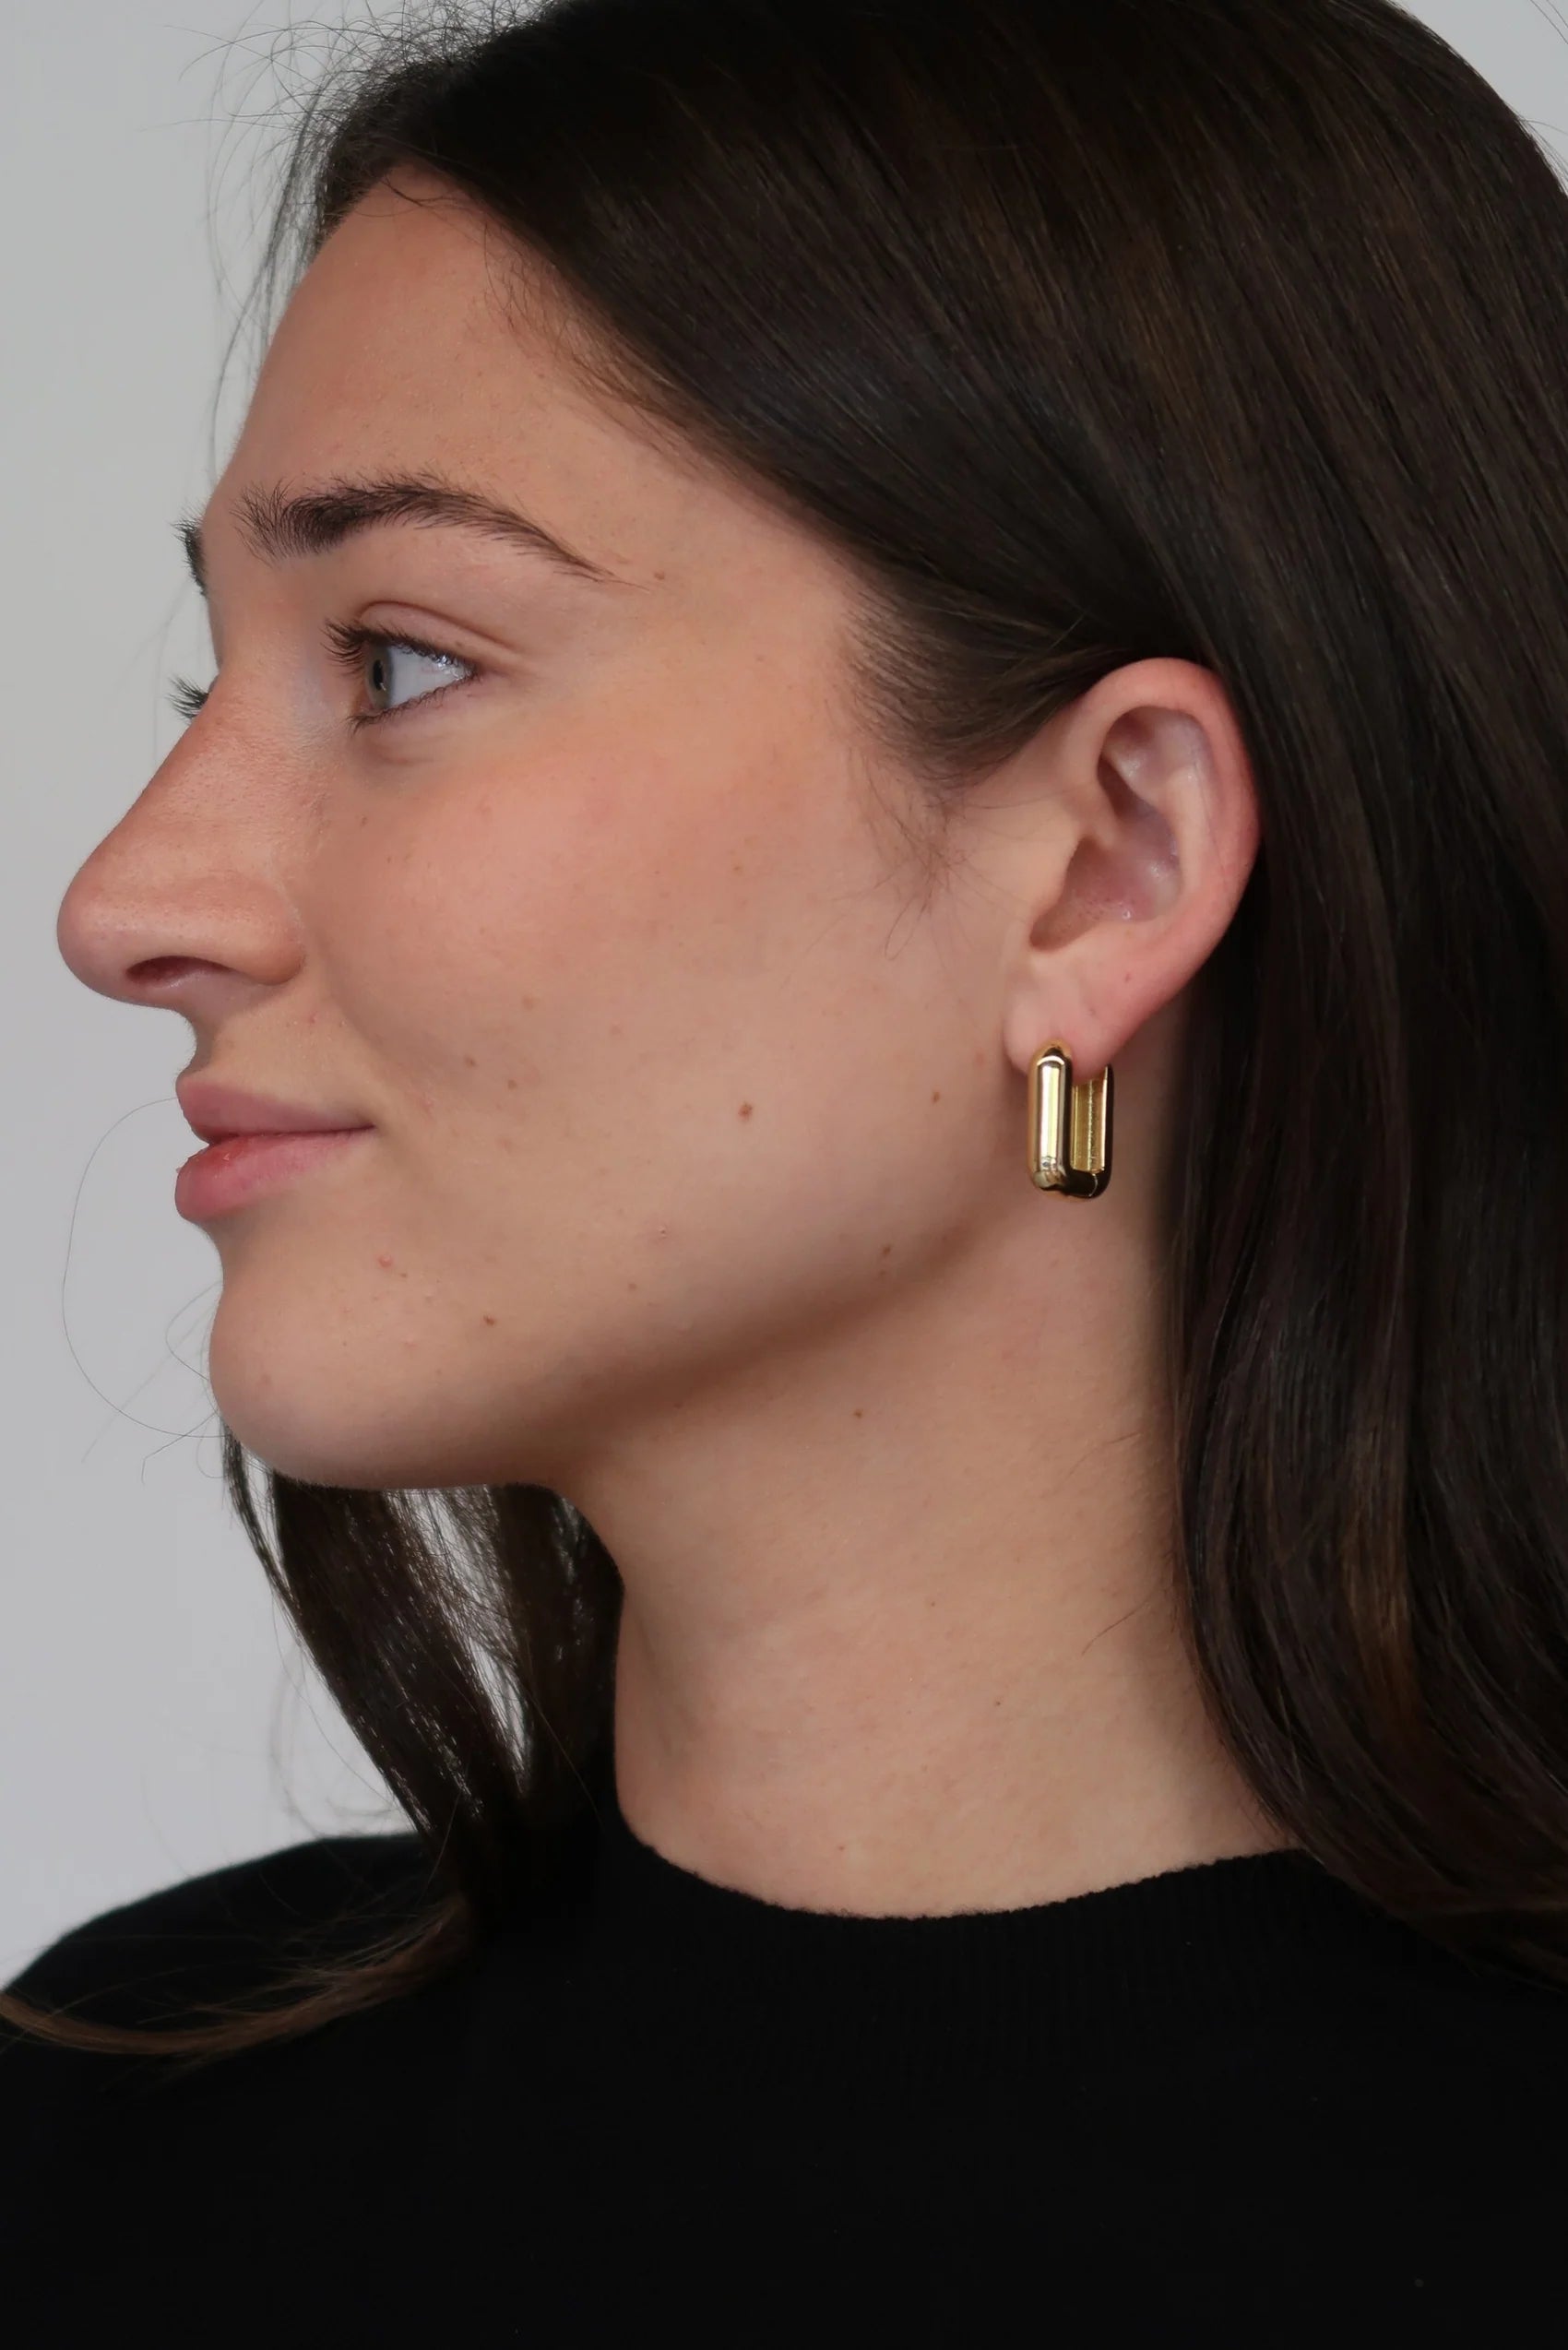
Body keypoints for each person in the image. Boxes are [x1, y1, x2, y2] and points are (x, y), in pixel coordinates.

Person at [6, 0, 1568, 2335]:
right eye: (203, 684)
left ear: (1105, 865)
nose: (128, 902)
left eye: (401, 663)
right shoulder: (94, 2145)